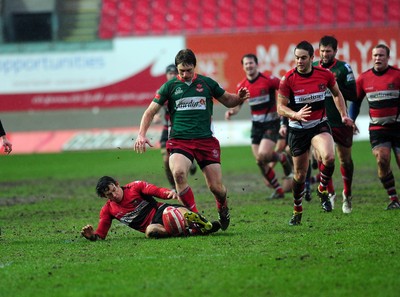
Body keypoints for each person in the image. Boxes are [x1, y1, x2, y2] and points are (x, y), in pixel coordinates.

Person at [134, 49, 250, 231]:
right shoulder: (169, 87)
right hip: (180, 141)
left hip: (205, 141)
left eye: (188, 70)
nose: (185, 74)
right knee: (179, 173)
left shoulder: (207, 83)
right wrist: (141, 134)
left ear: (194, 67)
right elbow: (150, 111)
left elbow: (229, 100)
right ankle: (196, 219)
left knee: (216, 188)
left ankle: (223, 207)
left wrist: (239, 98)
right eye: (181, 71)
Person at [277, 40, 354, 225]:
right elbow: (280, 108)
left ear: (312, 58)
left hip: (319, 124)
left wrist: (344, 114)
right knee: (300, 175)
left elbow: (337, 93)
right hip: (297, 130)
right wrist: (295, 114)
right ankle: (297, 210)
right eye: (296, 58)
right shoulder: (288, 79)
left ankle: (322, 188)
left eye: (303, 58)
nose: (299, 61)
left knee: (329, 157)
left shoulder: (324, 74)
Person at [225, 53, 292, 199]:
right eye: (246, 64)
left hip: (271, 123)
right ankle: (278, 190)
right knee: (260, 161)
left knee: (264, 154)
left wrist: (283, 107)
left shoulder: (268, 80)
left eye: (251, 63)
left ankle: (282, 158)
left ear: (256, 64)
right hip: (256, 126)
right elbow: (238, 105)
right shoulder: (242, 85)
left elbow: (284, 88)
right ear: (243, 67)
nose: (249, 66)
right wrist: (232, 112)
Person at [306, 35, 357, 214]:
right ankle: (331, 194)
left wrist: (332, 85)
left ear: (335, 51)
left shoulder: (343, 69)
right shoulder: (311, 69)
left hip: (340, 122)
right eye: (322, 51)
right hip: (319, 122)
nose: (325, 54)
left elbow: (353, 94)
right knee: (323, 158)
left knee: (345, 160)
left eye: (328, 51)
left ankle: (347, 194)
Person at [81, 176, 221, 240]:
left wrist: (169, 193)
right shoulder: (108, 210)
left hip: (160, 210)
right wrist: (91, 236)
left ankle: (204, 223)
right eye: (109, 194)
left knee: (173, 212)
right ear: (106, 197)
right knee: (150, 231)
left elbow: (156, 190)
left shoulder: (135, 187)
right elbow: (100, 235)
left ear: (117, 184)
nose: (114, 194)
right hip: (153, 224)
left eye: (113, 189)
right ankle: (194, 230)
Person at [350, 44, 400, 210]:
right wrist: (351, 120)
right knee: (382, 159)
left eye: (381, 55)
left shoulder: (397, 76)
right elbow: (355, 102)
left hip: (398, 127)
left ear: (388, 57)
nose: (378, 58)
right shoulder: (364, 78)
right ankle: (393, 199)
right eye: (375, 55)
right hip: (378, 129)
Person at [153, 64, 197, 191]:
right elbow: (155, 107)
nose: (172, 75)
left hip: (181, 129)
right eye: (169, 73)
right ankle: (173, 187)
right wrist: (156, 116)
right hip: (167, 130)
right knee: (166, 160)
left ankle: (187, 173)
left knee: (181, 160)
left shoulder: (182, 89)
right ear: (166, 75)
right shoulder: (163, 90)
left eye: (174, 73)